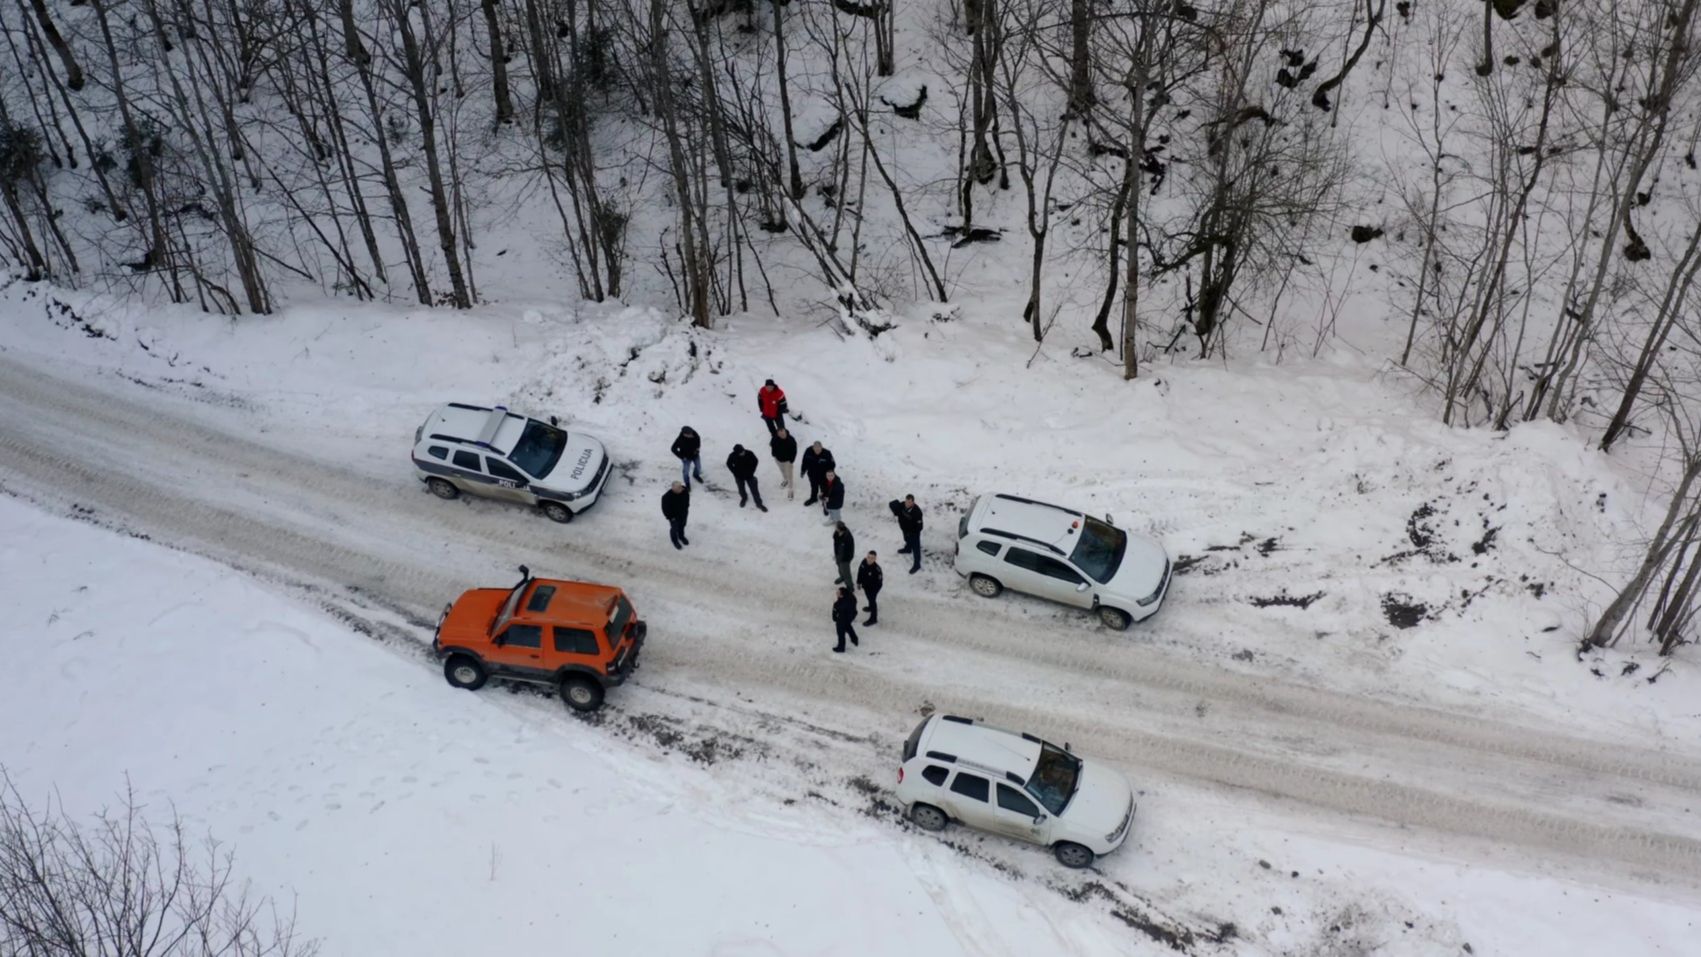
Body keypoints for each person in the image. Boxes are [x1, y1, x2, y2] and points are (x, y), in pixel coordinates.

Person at [726, 443, 767, 511]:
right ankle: (744, 498)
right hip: (739, 476)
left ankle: (759, 503)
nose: (743, 453)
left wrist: (752, 471)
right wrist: (734, 472)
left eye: (743, 451)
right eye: (741, 452)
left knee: (754, 490)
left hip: (749, 475)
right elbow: (728, 463)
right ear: (736, 453)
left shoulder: (749, 453)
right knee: (741, 489)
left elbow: (755, 461)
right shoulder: (732, 455)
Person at [890, 494, 924, 574]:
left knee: (916, 548)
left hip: (914, 533)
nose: (907, 504)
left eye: (909, 502)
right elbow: (893, 504)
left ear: (913, 502)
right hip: (905, 530)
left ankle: (917, 564)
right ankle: (908, 549)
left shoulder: (917, 512)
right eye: (906, 502)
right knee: (906, 540)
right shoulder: (902, 505)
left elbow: (920, 527)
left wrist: (911, 532)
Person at [800, 440, 835, 506]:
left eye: (819, 449)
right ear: (813, 448)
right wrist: (803, 471)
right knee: (814, 487)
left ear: (822, 447)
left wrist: (830, 475)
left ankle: (824, 498)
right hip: (812, 474)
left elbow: (832, 464)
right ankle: (813, 498)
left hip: (823, 476)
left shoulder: (827, 453)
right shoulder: (808, 451)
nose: (817, 451)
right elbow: (804, 462)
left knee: (824, 487)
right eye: (815, 449)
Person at [770, 427, 798, 500]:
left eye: (783, 433)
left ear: (785, 432)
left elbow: (794, 451)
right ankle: (785, 480)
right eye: (780, 433)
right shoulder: (775, 438)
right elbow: (772, 445)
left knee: (790, 475)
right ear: (778, 434)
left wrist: (791, 460)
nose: (782, 435)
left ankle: (790, 489)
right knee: (782, 471)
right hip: (778, 459)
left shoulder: (791, 440)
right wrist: (773, 454)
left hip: (787, 461)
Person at [661, 481, 691, 549]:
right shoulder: (666, 497)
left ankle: (681, 536)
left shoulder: (685, 491)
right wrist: (671, 517)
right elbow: (665, 509)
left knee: (682, 526)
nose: (678, 491)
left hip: (683, 514)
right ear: (672, 488)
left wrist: (686, 508)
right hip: (674, 517)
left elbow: (687, 501)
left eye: (679, 489)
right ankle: (675, 541)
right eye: (675, 490)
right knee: (674, 529)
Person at [857, 551, 883, 626]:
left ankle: (873, 618)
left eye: (872, 558)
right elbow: (860, 572)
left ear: (875, 559)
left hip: (874, 588)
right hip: (866, 586)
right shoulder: (863, 562)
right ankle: (870, 607)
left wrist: (873, 593)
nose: (869, 559)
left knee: (872, 600)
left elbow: (879, 583)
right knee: (869, 598)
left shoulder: (877, 569)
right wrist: (859, 582)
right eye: (868, 557)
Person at [831, 585, 860, 653]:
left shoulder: (840, 603)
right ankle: (854, 639)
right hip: (851, 615)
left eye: (838, 593)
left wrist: (835, 617)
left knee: (840, 631)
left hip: (843, 617)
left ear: (842, 595)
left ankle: (841, 647)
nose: (836, 594)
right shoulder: (851, 597)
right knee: (848, 626)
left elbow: (836, 610)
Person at [832, 522, 856, 591]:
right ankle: (842, 577)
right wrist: (836, 554)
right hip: (838, 555)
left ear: (839, 528)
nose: (835, 528)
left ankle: (850, 587)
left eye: (836, 527)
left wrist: (846, 559)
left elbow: (850, 550)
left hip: (845, 558)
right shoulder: (837, 533)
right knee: (839, 568)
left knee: (846, 572)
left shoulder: (848, 537)